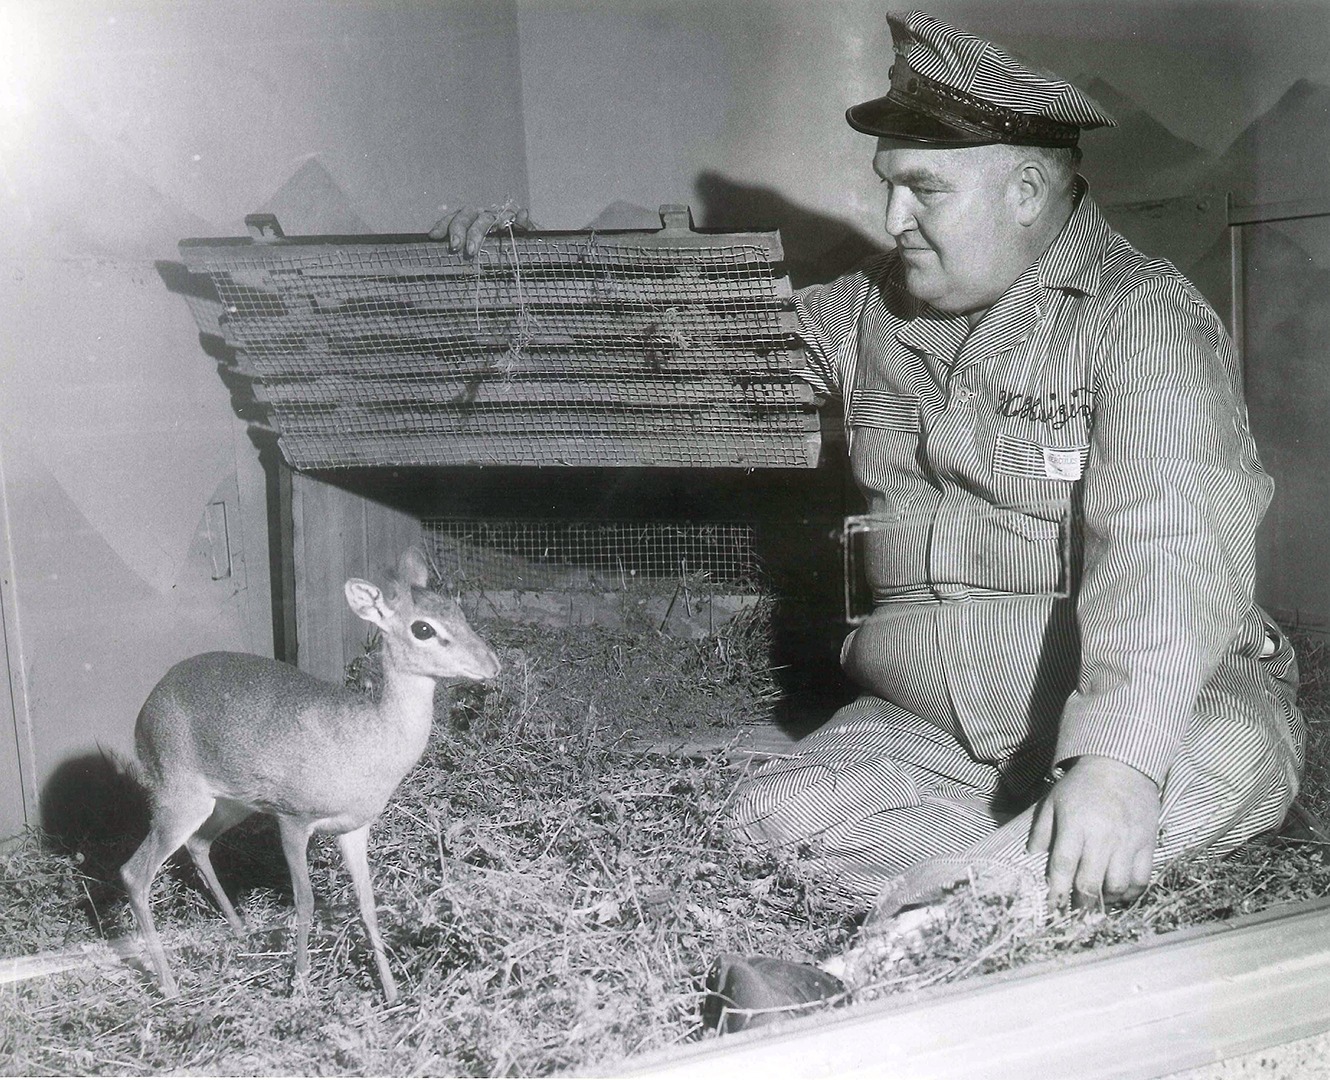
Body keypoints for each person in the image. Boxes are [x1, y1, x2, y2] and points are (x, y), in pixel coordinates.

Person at [432, 5, 1304, 947]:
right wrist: (525, 279)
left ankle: (971, 895)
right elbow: (692, 347)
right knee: (771, 816)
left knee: (1225, 762)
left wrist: (1120, 765)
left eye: (923, 189)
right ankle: (1036, 873)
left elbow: (1171, 549)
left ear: (1023, 190)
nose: (892, 219)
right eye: (889, 187)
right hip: (932, 738)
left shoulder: (1139, 321)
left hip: (1160, 711)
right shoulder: (868, 313)